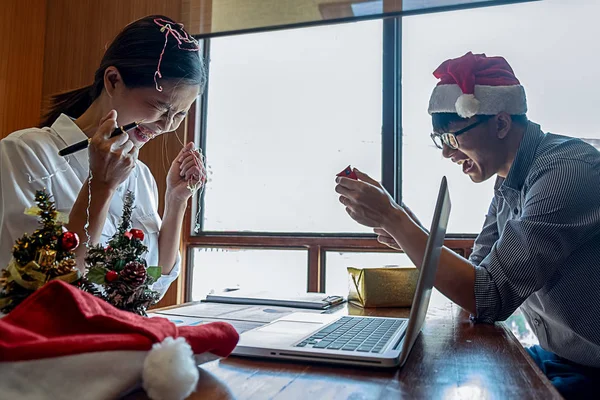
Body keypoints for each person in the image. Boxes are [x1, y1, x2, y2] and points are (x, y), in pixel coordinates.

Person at [335, 52, 600, 398]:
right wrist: (407, 229)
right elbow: (477, 272)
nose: (447, 153)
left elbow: (487, 296)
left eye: (452, 137)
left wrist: (393, 219)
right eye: (440, 141)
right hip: (559, 357)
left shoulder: (564, 172)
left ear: (501, 124)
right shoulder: (510, 182)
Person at [0, 15, 206, 299]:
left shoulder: (139, 174)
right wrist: (101, 187)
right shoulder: (25, 153)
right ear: (113, 81)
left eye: (180, 114)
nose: (167, 126)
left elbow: (152, 285)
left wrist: (176, 201)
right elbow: (44, 286)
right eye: (160, 107)